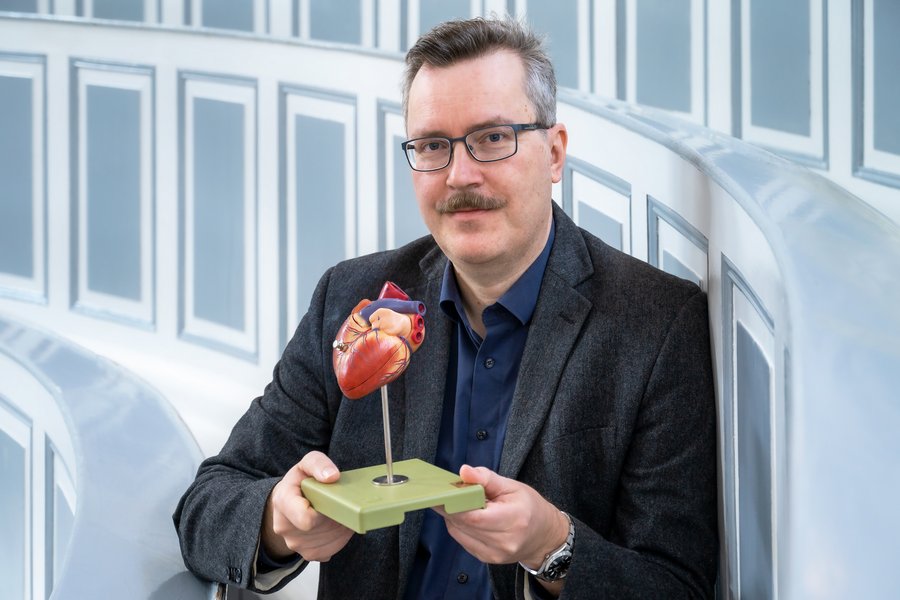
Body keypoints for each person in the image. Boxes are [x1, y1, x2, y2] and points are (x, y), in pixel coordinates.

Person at [174, 16, 718, 599]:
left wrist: (552, 546)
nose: (460, 175)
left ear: (554, 154)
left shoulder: (658, 324)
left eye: (492, 138)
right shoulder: (352, 299)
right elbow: (206, 507)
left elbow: (676, 585)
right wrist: (279, 522)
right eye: (433, 146)